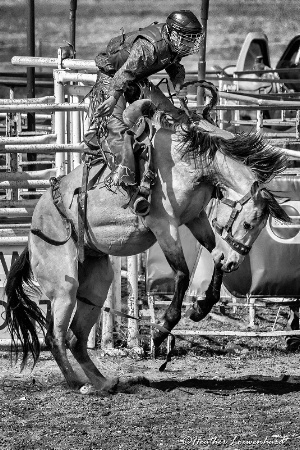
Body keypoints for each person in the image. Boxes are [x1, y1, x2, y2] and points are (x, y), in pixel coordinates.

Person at [85, 10, 204, 215]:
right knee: (116, 129)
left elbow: (174, 66)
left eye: (192, 39)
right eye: (186, 39)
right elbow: (124, 73)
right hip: (113, 78)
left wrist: (178, 85)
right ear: (174, 34)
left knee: (172, 112)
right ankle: (129, 186)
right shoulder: (148, 47)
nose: (189, 44)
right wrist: (113, 98)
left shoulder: (173, 45)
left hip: (135, 79)